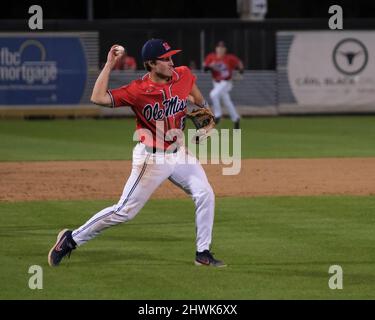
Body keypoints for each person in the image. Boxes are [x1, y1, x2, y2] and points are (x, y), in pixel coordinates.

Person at [48, 39, 226, 268]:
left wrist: (203, 113)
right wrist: (109, 65)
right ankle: (71, 240)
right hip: (151, 158)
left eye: (172, 57)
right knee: (124, 212)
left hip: (179, 153)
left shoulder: (183, 74)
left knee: (205, 194)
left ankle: (203, 253)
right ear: (151, 63)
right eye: (166, 59)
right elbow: (98, 98)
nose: (172, 62)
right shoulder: (137, 91)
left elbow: (199, 101)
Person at [203, 41, 244, 129]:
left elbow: (239, 63)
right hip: (216, 83)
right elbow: (205, 69)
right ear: (216, 49)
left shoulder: (229, 58)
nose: (220, 49)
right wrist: (210, 66)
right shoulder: (211, 57)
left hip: (226, 82)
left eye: (222, 48)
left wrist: (241, 72)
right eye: (219, 47)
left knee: (213, 94)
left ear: (225, 49)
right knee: (227, 101)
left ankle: (218, 115)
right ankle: (236, 119)